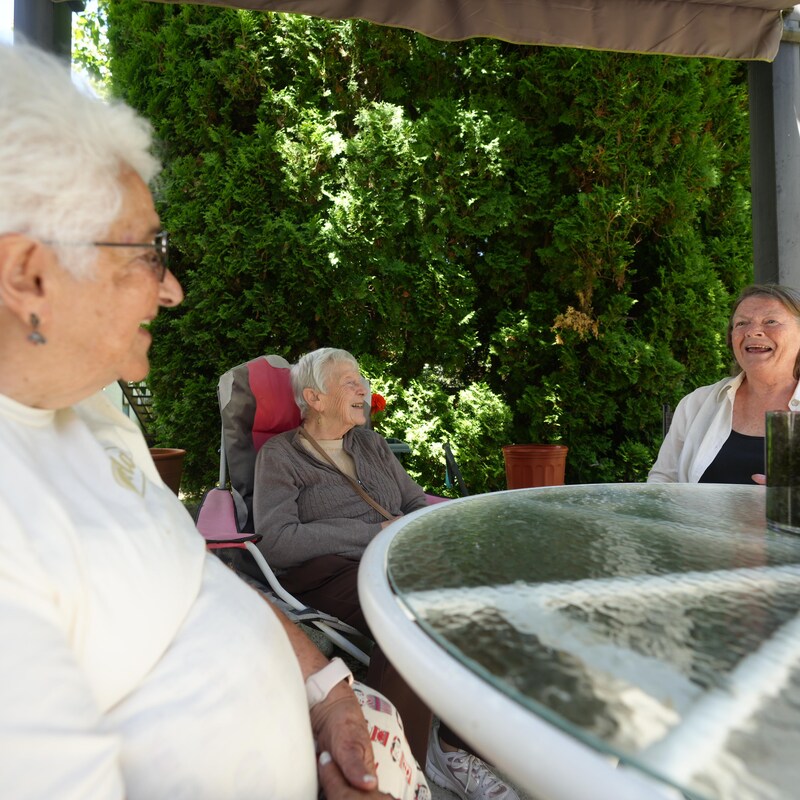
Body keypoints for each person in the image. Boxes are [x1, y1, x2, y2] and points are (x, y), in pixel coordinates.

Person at [0, 41, 429, 800]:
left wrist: (329, 693)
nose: (171, 291)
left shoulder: (91, 412)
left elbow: (195, 574)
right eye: (148, 251)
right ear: (29, 275)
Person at [254, 347, 520, 800]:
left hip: (399, 558)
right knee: (406, 622)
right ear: (314, 398)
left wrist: (437, 530)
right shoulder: (281, 456)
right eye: (350, 382)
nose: (365, 388)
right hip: (329, 573)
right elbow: (278, 540)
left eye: (363, 379)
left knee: (487, 599)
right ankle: (392, 775)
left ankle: (454, 750)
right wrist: (370, 532)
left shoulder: (371, 445)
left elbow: (415, 503)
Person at [648, 283, 800, 484]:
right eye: (741, 323)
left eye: (771, 321)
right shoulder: (696, 403)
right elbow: (663, 479)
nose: (753, 332)